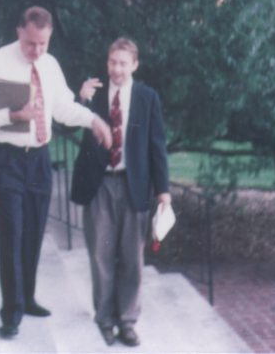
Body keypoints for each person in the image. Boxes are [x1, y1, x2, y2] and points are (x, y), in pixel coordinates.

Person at [0, 6, 112, 340]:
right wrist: (14, 114)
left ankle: (27, 297)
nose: (36, 51)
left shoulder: (49, 65)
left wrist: (93, 120)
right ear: (20, 30)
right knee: (12, 229)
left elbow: (62, 106)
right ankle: (11, 311)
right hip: (4, 158)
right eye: (32, 43)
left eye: (43, 44)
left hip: (38, 159)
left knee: (33, 228)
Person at [70, 37, 170, 347]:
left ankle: (127, 320)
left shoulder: (147, 98)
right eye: (112, 62)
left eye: (123, 63)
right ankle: (104, 320)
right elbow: (67, 127)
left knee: (131, 258)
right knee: (100, 255)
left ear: (134, 65)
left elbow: (157, 146)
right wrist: (80, 100)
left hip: (133, 184)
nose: (117, 68)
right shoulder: (94, 96)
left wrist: (163, 191)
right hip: (99, 184)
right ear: (107, 63)